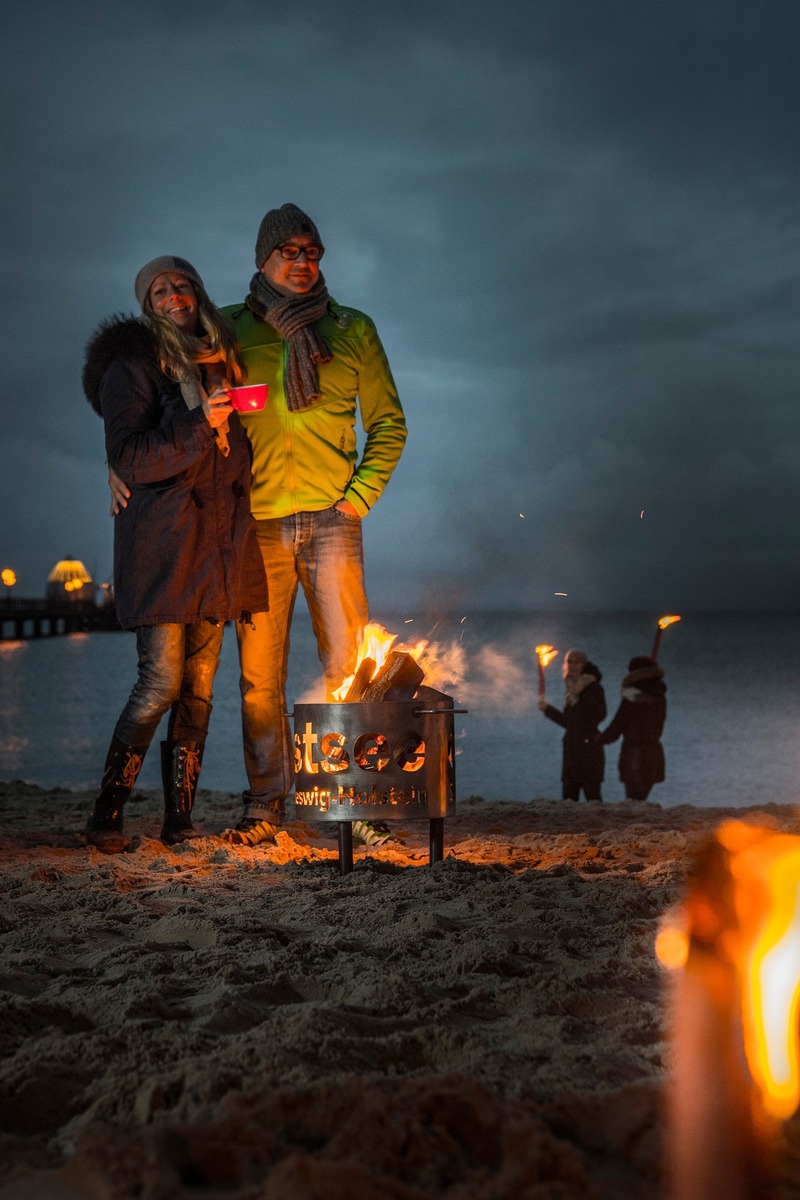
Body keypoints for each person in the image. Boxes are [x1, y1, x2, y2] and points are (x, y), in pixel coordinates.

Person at [110, 206, 407, 847]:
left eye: (311, 250)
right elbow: (149, 391)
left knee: (346, 665)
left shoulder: (354, 329)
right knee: (257, 681)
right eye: (287, 251)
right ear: (262, 260)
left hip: (334, 519)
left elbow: (390, 424)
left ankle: (359, 801)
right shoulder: (230, 332)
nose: (302, 261)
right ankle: (266, 803)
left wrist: (357, 499)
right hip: (254, 526)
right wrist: (111, 464)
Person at [83, 256, 268, 853]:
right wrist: (199, 422)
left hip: (216, 549)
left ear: (199, 292)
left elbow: (228, 464)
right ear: (146, 304)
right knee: (159, 683)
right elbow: (131, 458)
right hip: (162, 551)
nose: (174, 295)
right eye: (160, 289)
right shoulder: (133, 364)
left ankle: (178, 822)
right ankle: (106, 818)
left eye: (182, 284)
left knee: (200, 689)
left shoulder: (220, 361)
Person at [538, 648, 606, 802]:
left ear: (584, 665)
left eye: (578, 662)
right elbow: (570, 723)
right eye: (570, 662)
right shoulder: (570, 691)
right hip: (571, 750)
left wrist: (583, 692)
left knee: (593, 797)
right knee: (569, 798)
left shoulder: (593, 687)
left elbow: (600, 715)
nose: (573, 665)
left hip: (590, 749)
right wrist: (548, 710)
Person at [600, 656, 667, 802]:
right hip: (654, 754)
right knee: (641, 799)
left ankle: (637, 825)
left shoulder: (632, 698)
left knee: (633, 800)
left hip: (634, 756)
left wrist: (598, 740)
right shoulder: (660, 696)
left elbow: (617, 726)